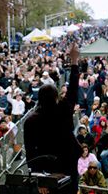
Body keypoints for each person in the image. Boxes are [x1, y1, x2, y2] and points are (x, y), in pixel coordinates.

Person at [23, 43, 82, 194]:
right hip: (67, 165)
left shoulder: (30, 121)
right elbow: (74, 89)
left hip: (46, 171)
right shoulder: (63, 109)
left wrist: (38, 179)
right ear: (56, 97)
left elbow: (30, 152)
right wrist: (74, 61)